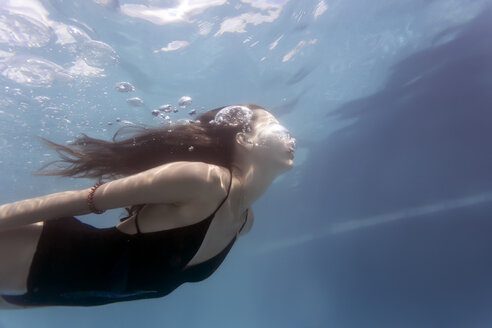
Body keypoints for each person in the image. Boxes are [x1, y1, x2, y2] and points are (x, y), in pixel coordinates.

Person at [0, 104, 296, 308]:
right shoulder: (203, 181)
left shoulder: (244, 223)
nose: (290, 135)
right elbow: (81, 201)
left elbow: (110, 291)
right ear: (243, 138)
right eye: (274, 126)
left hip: (30, 290)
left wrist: (18, 305)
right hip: (31, 252)